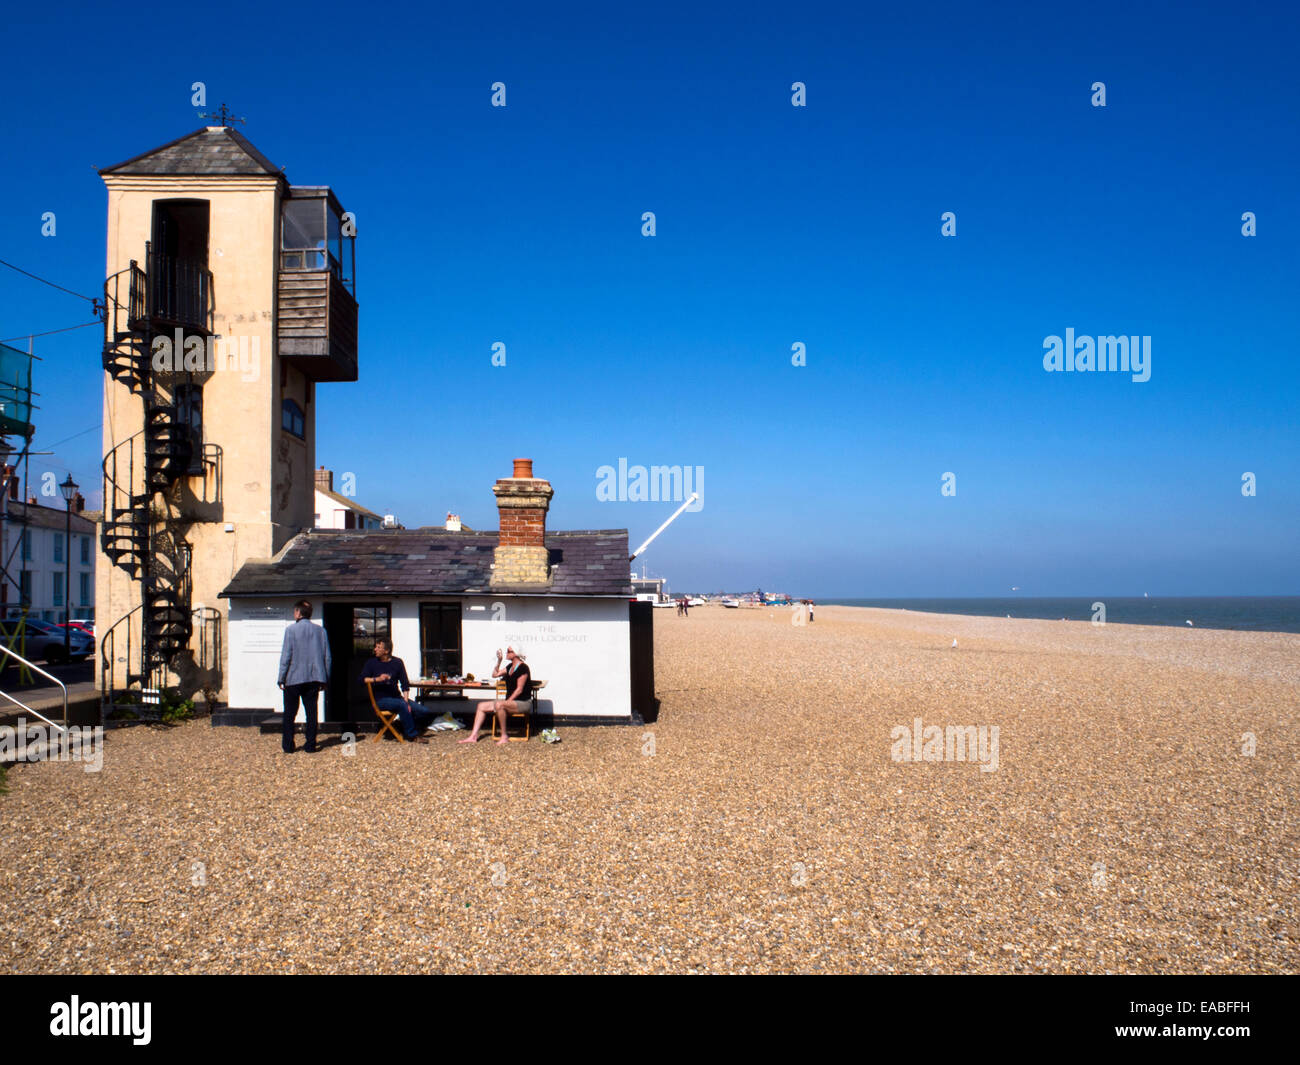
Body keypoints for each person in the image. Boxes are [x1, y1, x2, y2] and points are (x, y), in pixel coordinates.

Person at [277, 599, 331, 754]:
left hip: (293, 677)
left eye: (294, 611)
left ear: (298, 613)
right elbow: (327, 657)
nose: (294, 614)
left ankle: (288, 746)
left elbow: (286, 656)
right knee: (311, 713)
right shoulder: (321, 631)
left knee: (289, 713)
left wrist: (281, 677)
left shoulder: (291, 631)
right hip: (314, 677)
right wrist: (325, 678)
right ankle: (310, 745)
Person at [361, 637, 434, 743]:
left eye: (378, 647)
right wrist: (377, 679)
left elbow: (405, 683)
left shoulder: (397, 662)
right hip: (381, 700)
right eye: (375, 647)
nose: (375, 649)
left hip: (397, 698)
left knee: (424, 711)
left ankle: (404, 725)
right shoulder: (371, 663)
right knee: (402, 705)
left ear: (386, 651)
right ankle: (412, 735)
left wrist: (406, 701)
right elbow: (361, 680)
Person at [459, 646, 531, 745]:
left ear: (515, 654)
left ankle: (504, 736)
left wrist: (507, 701)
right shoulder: (510, 667)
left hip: (523, 703)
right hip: (510, 702)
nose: (506, 653)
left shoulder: (523, 668)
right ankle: (473, 736)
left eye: (509, 651)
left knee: (499, 705)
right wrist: (499, 661)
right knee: (481, 706)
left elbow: (519, 689)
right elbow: (495, 675)